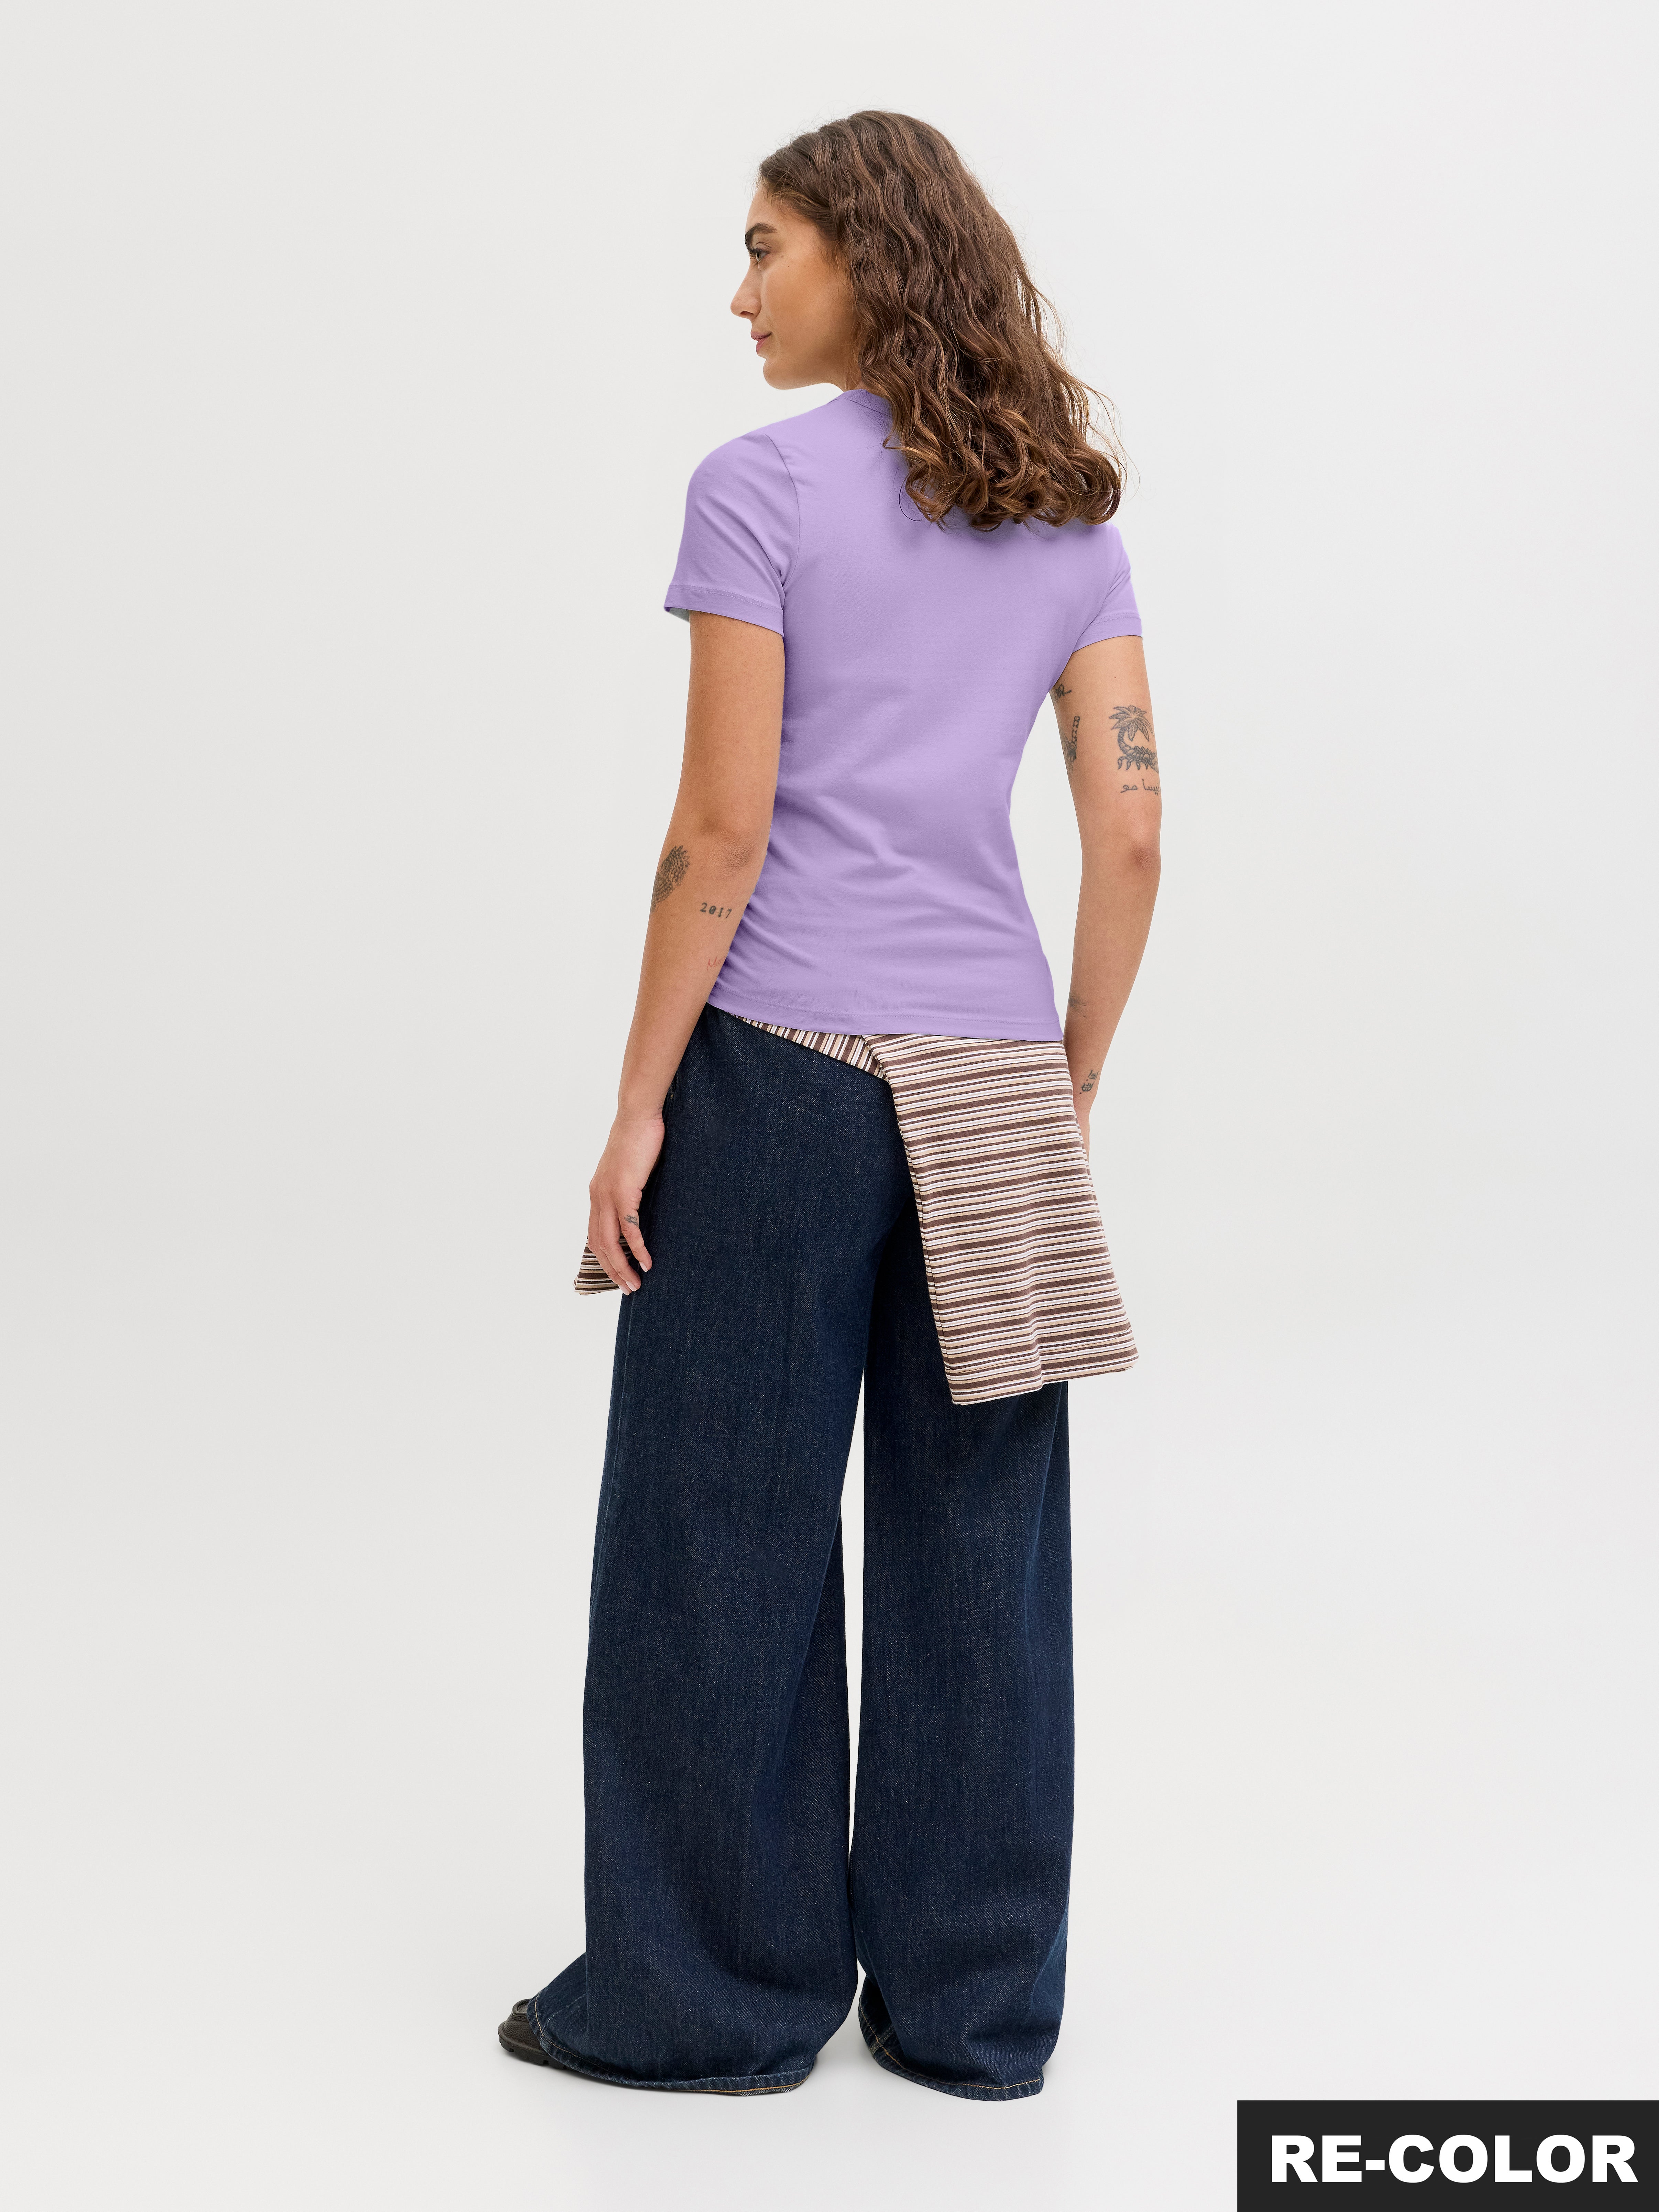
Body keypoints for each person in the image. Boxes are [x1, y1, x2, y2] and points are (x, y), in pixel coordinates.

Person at [498, 109, 1161, 2102]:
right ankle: (972, 2014)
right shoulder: (1072, 524)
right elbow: (1132, 837)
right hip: (995, 1078)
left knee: (720, 1528)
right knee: (985, 1556)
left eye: (766, 245)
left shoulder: (759, 489)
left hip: (777, 1072)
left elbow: (720, 832)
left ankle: (709, 2000)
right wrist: (1063, 1083)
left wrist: (637, 1109)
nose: (741, 291)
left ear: (864, 257)